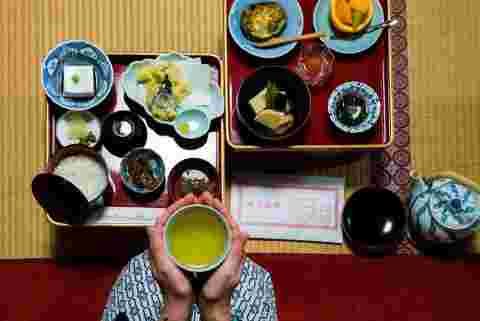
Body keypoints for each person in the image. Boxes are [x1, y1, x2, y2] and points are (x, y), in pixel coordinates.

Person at [102, 192, 278, 321]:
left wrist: (175, 304)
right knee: (255, 274)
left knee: (140, 263)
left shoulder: (138, 268)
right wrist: (217, 308)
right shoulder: (257, 277)